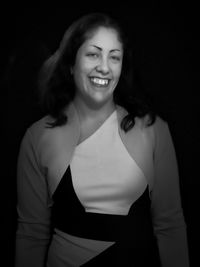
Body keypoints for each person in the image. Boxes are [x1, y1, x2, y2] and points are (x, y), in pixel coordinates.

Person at [15, 12, 190, 267]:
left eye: (114, 57)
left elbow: (170, 225)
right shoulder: (38, 136)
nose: (105, 67)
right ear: (71, 63)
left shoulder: (153, 130)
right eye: (93, 54)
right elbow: (31, 234)